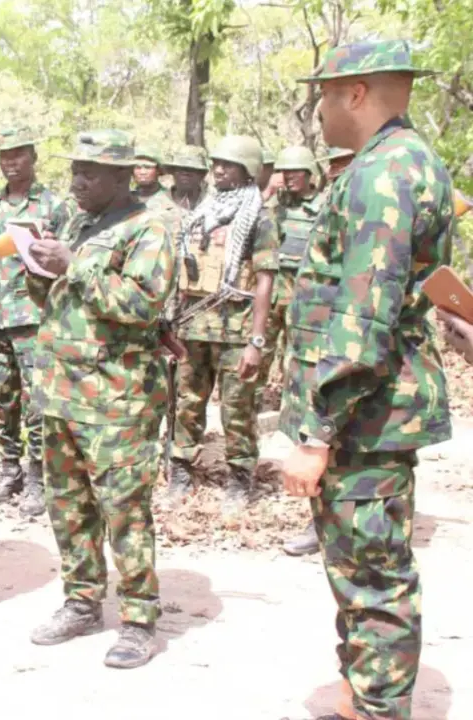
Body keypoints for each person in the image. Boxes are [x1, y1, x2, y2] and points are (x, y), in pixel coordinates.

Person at [280, 40, 454, 720]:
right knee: (358, 570)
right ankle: (363, 696)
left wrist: (317, 431)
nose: (318, 109)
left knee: (373, 577)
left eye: (325, 94)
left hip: (363, 419)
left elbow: (364, 312)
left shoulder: (385, 175)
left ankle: (381, 709)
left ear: (356, 94)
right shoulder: (396, 164)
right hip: (367, 416)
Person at [25, 130, 174, 669]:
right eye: (75, 172)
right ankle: (82, 601)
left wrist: (75, 264)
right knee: (67, 506)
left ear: (122, 177)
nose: (78, 181)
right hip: (63, 392)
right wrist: (39, 268)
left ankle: (138, 619)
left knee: (124, 511)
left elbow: (142, 304)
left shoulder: (149, 227)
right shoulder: (78, 224)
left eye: (91, 172)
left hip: (118, 399)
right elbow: (62, 299)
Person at [167, 135, 278, 513]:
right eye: (216, 163)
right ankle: (180, 469)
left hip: (236, 329)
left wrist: (257, 342)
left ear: (246, 171)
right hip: (194, 325)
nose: (217, 170)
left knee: (237, 409)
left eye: (227, 165)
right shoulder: (201, 212)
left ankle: (240, 478)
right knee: (187, 403)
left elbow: (265, 281)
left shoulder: (258, 218)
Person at [0, 126, 62, 516]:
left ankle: (38, 475)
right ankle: (8, 467)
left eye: (19, 155)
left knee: (38, 401)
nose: (11, 163)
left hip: (37, 318)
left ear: (33, 158)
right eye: (5, 157)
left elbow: (69, 258)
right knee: (3, 399)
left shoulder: (55, 205)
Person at [259, 145, 321, 394]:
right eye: (285, 172)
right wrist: (268, 193)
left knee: (300, 353)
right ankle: (252, 406)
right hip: (273, 287)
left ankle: (294, 404)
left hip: (306, 288)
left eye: (296, 172)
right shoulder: (275, 204)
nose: (289, 177)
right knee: (261, 347)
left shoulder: (324, 205)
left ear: (309, 173)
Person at [132, 145, 177, 215]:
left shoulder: (172, 198)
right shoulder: (125, 199)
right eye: (138, 167)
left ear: (158, 170)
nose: (142, 172)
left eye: (148, 167)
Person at [164, 145, 211, 212]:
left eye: (192, 169)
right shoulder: (157, 205)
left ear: (202, 174)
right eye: (181, 169)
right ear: (172, 171)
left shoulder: (214, 202)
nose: (186, 173)